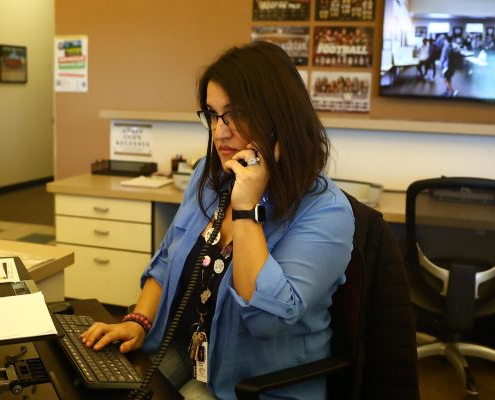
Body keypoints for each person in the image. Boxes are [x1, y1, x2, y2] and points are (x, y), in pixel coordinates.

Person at [81, 41, 355, 400]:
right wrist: (139, 321)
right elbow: (168, 257)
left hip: (251, 384)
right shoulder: (209, 176)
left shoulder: (326, 211)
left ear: (279, 118)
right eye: (212, 115)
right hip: (186, 349)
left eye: (234, 115)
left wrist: (245, 209)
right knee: (95, 382)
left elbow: (265, 319)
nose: (219, 132)